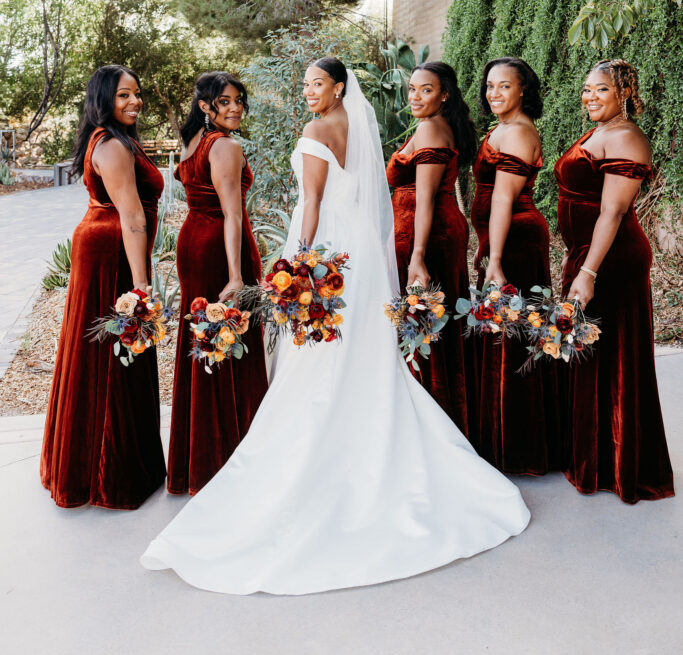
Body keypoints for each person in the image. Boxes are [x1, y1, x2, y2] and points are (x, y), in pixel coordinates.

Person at [140, 58, 529, 595]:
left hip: (327, 252)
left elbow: (313, 202)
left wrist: (298, 264)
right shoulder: (356, 126)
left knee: (320, 355)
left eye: (317, 83)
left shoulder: (317, 129)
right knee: (362, 352)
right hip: (361, 252)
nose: (308, 92)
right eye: (305, 84)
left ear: (339, 87)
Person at [40, 65, 166, 509]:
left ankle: (88, 463)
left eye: (137, 93)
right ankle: (106, 475)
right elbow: (131, 217)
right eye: (123, 95)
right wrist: (141, 287)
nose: (135, 101)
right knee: (112, 356)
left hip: (106, 245)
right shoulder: (111, 145)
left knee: (104, 355)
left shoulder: (115, 138)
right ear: (104, 99)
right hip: (112, 252)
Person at [555, 59, 674, 503]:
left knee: (615, 359)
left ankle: (621, 466)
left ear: (624, 92)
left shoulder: (625, 136)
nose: (589, 96)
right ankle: (594, 457)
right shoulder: (602, 130)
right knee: (592, 357)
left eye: (601, 89)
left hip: (612, 260)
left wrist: (588, 272)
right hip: (588, 254)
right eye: (587, 88)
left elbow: (613, 210)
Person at [166, 72, 268, 495]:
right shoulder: (224, 146)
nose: (235, 108)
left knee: (206, 341)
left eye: (239, 100)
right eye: (225, 101)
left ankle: (198, 457)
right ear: (205, 106)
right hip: (219, 250)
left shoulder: (193, 142)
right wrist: (236, 275)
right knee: (226, 339)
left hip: (193, 240)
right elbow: (232, 214)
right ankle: (228, 455)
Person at [471, 58, 563, 475]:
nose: (494, 93)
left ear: (523, 89)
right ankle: (503, 438)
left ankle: (521, 447)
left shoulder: (520, 131)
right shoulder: (502, 127)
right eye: (490, 86)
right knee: (504, 334)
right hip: (501, 239)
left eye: (504, 86)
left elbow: (504, 197)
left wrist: (496, 258)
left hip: (516, 243)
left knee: (515, 337)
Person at [387, 61, 479, 440]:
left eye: (426, 90)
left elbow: (424, 198)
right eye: (412, 89)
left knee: (426, 324)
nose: (415, 96)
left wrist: (418, 258)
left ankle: (431, 429)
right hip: (434, 230)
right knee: (432, 325)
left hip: (428, 235)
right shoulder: (436, 124)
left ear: (444, 95)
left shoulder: (430, 129)